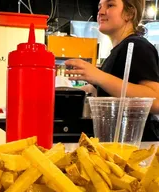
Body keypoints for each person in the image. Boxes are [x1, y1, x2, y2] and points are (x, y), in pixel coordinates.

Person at [65, 0, 159, 141]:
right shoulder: (118, 51)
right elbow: (115, 91)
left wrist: (99, 77)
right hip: (117, 145)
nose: (101, 12)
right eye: (99, 6)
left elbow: (156, 101)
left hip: (136, 147)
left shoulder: (137, 46)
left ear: (129, 13)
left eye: (110, 5)